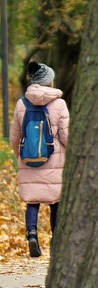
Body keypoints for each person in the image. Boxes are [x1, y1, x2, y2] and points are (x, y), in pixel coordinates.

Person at [10, 62, 70, 258]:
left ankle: (32, 233)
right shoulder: (59, 104)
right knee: (56, 201)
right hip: (54, 159)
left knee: (32, 200)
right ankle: (56, 240)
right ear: (49, 81)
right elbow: (65, 136)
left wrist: (20, 155)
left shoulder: (21, 104)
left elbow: (15, 135)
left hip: (28, 159)